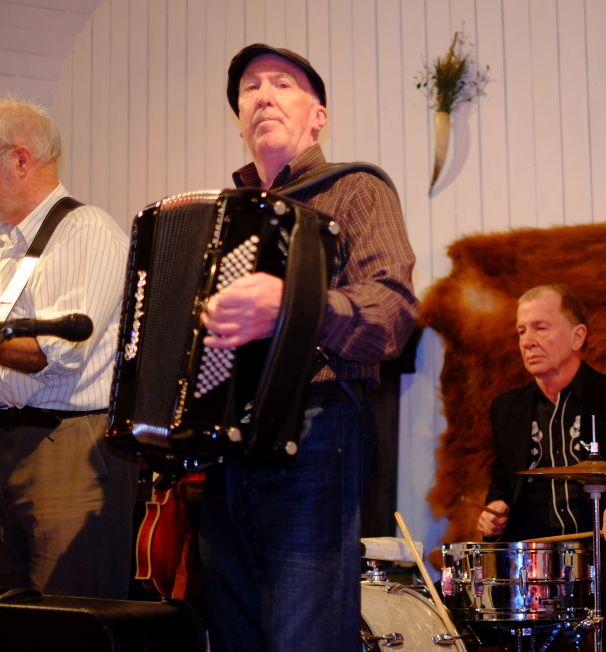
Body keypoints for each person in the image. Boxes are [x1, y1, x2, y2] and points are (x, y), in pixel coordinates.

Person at [196, 44, 418, 651]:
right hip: (227, 449)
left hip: (319, 435)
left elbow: (393, 311)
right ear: (240, 116)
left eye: (282, 84)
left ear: (317, 114)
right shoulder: (221, 218)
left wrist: (297, 307)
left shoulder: (355, 190)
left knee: (304, 636)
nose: (263, 95)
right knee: (233, 635)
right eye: (249, 88)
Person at [0, 96, 138, 598]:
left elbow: (56, 353)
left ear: (21, 158)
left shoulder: (87, 233)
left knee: (69, 618)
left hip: (69, 448)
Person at [477, 284, 606, 652]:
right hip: (537, 563)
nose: (527, 341)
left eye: (541, 327)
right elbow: (503, 482)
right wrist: (496, 508)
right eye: (521, 331)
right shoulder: (505, 409)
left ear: (578, 336)